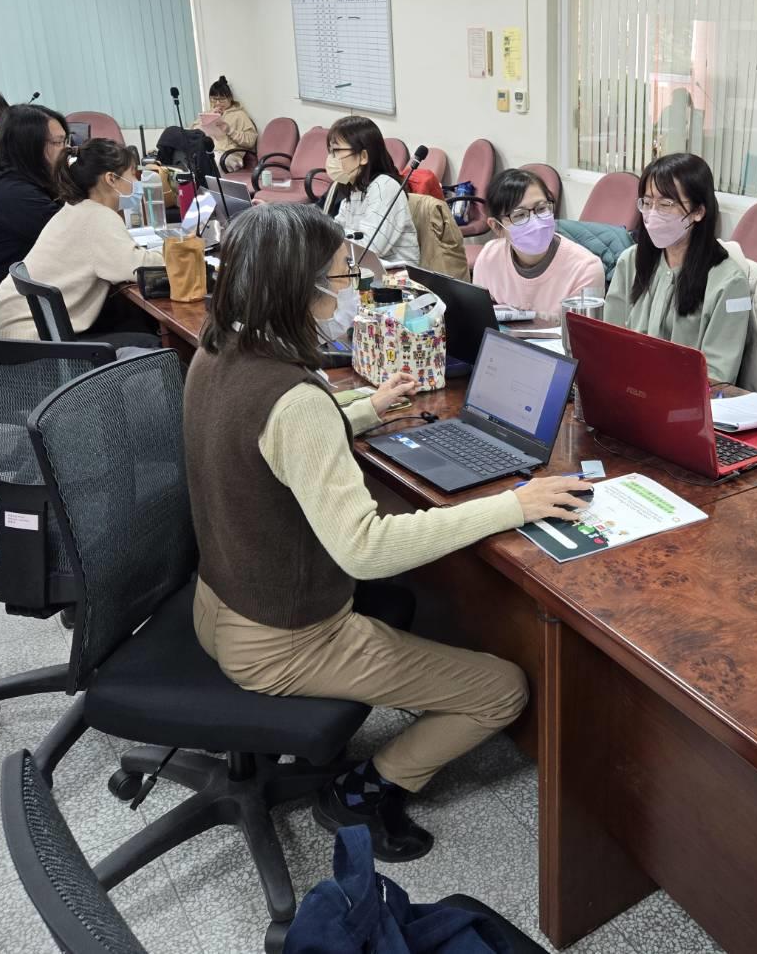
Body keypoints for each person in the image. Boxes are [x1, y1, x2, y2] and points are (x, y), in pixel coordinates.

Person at [185, 202, 589, 861]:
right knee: (502, 690)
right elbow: (366, 549)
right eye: (340, 274)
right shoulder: (292, 399)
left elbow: (267, 443)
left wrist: (365, 409)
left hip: (217, 604)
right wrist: (515, 505)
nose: (348, 287)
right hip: (280, 641)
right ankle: (362, 791)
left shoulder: (217, 352)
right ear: (302, 288)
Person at [0, 139, 162, 347]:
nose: (136, 181)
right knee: (152, 344)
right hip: (32, 342)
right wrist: (176, 250)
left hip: (9, 334)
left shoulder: (76, 209)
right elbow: (139, 267)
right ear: (111, 179)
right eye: (132, 174)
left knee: (130, 322)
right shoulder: (98, 218)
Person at [602, 153, 752, 384]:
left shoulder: (730, 283)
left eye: (665, 204)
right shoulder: (630, 260)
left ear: (698, 211)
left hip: (687, 397)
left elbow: (717, 376)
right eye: (647, 203)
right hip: (628, 387)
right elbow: (609, 341)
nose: (652, 214)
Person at [0, 104, 69, 307]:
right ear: (28, 147)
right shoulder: (16, 195)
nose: (65, 151)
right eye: (58, 143)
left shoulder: (3, 178)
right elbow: (76, 241)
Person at [471, 168, 604, 320]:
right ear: (496, 226)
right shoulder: (489, 258)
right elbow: (479, 320)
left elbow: (581, 332)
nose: (535, 221)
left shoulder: (585, 269)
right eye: (520, 215)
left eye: (541, 209)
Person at [322, 115, 419, 267]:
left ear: (363, 156)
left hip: (396, 276)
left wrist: (334, 236)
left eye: (337, 151)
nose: (331, 158)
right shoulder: (354, 187)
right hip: (364, 269)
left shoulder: (385, 187)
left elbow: (369, 248)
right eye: (330, 151)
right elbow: (336, 230)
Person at [196, 75, 258, 169]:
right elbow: (193, 133)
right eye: (214, 99)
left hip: (229, 156)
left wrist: (230, 130)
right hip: (210, 151)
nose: (217, 103)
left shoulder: (239, 115)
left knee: (211, 161)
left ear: (230, 98)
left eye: (222, 99)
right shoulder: (208, 113)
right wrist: (207, 120)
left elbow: (251, 141)